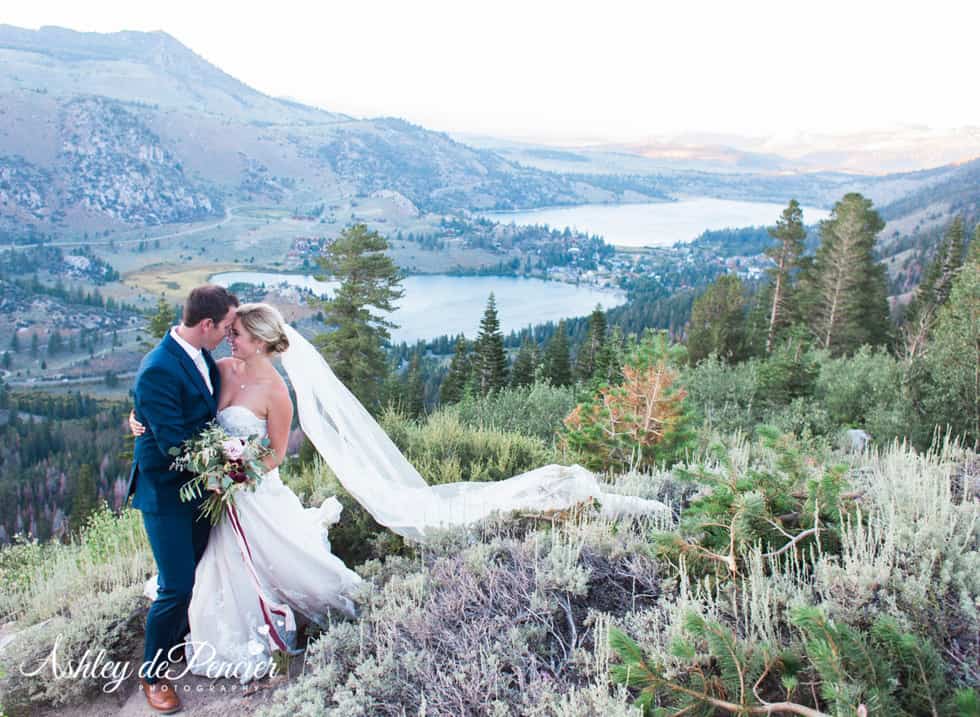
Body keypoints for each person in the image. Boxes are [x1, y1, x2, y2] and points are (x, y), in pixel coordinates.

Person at [131, 302, 362, 686]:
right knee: (207, 566)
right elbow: (170, 398)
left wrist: (238, 475)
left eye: (236, 333)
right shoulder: (217, 370)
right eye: (228, 330)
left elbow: (275, 453)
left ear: (259, 341)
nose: (228, 338)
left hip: (250, 493)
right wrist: (138, 416)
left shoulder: (276, 392)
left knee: (285, 562)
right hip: (211, 494)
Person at [128, 285, 238, 713]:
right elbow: (175, 444)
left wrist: (138, 414)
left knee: (191, 569)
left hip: (199, 490)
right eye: (226, 326)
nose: (229, 334)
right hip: (167, 492)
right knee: (175, 584)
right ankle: (152, 674)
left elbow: (172, 409)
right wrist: (226, 468)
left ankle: (173, 640)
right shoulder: (158, 367)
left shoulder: (199, 356)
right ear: (206, 324)